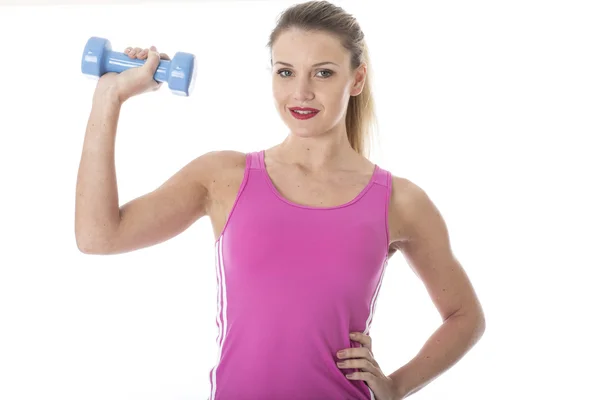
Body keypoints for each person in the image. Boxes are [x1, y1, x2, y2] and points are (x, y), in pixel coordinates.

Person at [75, 1, 485, 399]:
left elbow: (465, 317)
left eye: (323, 73)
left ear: (356, 80)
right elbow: (98, 236)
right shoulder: (223, 177)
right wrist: (110, 96)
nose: (301, 92)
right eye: (285, 72)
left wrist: (396, 387)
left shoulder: (400, 201)